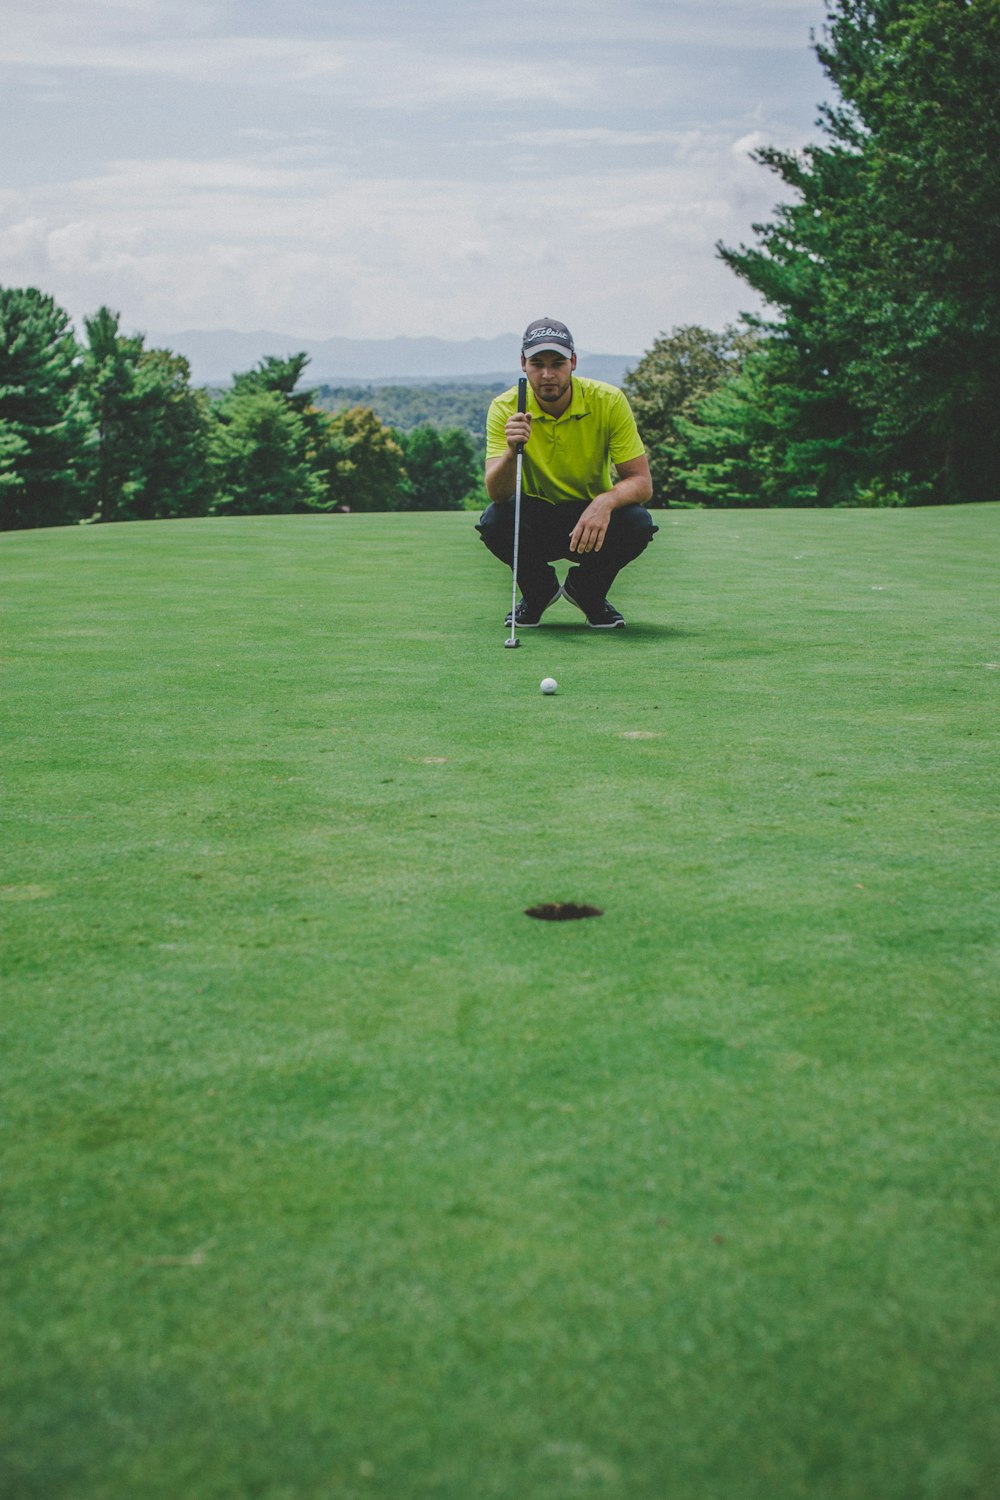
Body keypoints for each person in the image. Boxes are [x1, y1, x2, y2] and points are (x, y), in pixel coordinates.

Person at [477, 318, 657, 629]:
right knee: (495, 521)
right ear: (523, 364)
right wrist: (511, 450)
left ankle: (587, 592)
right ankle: (538, 592)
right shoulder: (506, 406)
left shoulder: (608, 401)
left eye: (557, 363)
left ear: (573, 362)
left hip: (591, 518)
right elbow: (498, 493)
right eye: (537, 363)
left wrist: (605, 502)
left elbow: (641, 482)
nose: (547, 374)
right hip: (535, 516)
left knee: (638, 523)